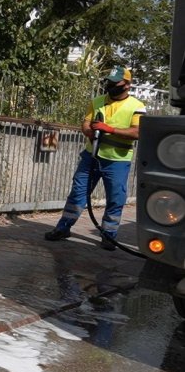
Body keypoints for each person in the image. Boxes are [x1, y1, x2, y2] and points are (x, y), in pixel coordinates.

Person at [44, 66, 146, 250]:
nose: (111, 85)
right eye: (109, 82)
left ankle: (108, 235)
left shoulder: (137, 106)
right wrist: (90, 131)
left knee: (115, 199)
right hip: (91, 157)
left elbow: (137, 132)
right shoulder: (97, 101)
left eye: (116, 83)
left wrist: (110, 130)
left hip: (117, 161)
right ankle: (63, 228)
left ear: (128, 85)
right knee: (77, 193)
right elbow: (85, 124)